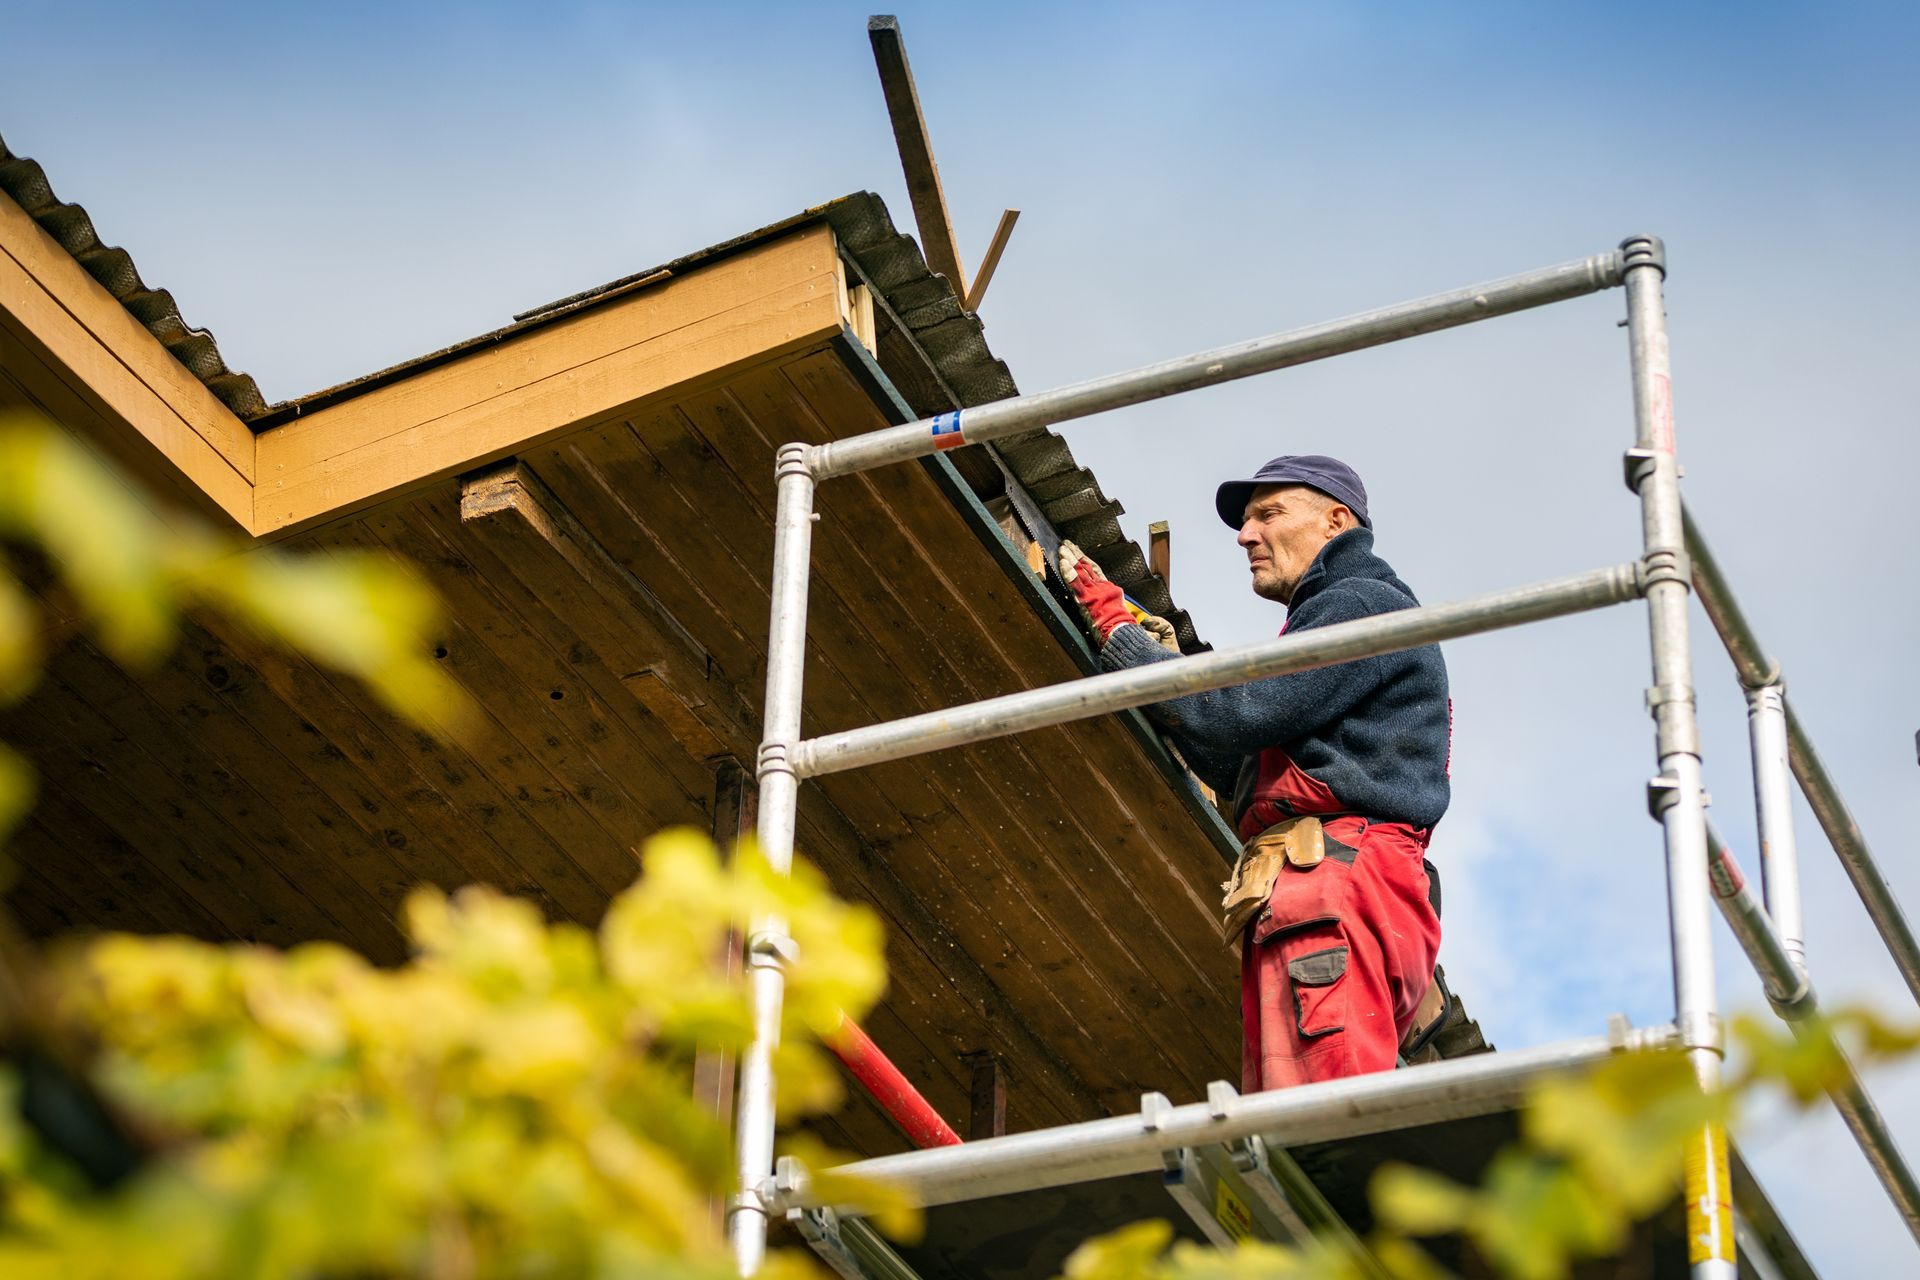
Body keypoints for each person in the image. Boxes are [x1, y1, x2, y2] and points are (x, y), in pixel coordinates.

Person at [1058, 454, 1450, 1091]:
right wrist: (1164, 675)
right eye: (1245, 522)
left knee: (1322, 1117)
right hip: (1338, 881)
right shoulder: (1346, 613)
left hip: (1337, 882)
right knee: (1292, 1112)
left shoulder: (1362, 603)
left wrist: (1123, 640)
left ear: (1336, 521)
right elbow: (1237, 756)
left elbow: (1235, 714)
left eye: (1269, 514)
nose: (1245, 535)